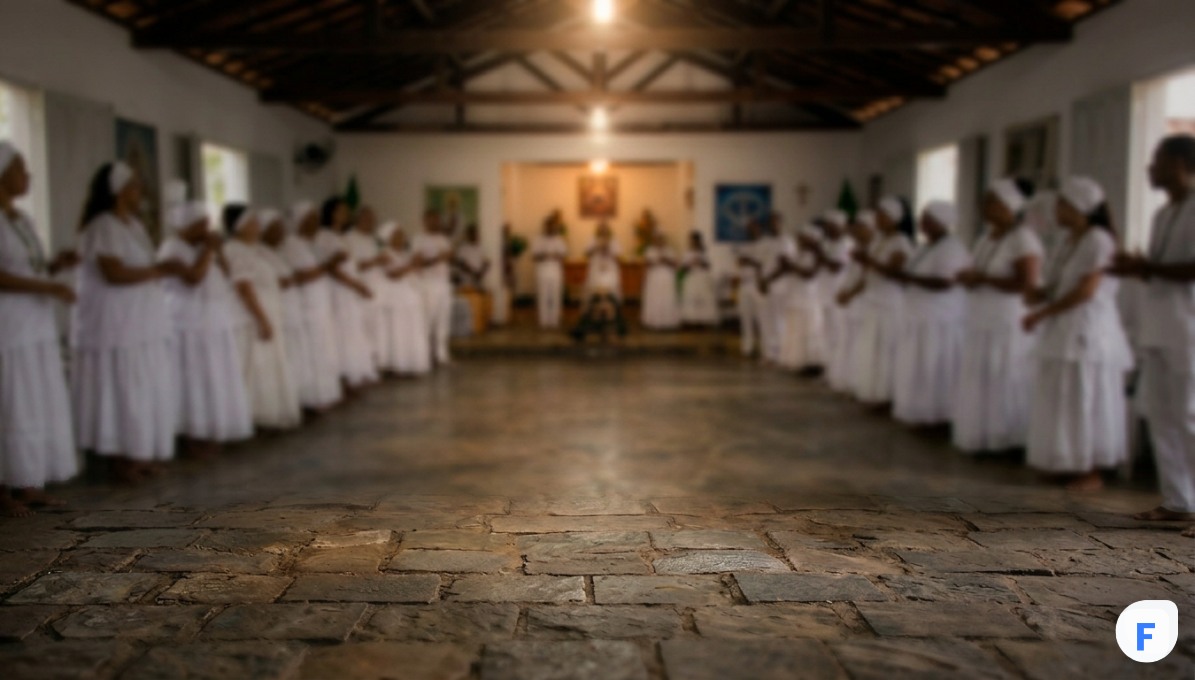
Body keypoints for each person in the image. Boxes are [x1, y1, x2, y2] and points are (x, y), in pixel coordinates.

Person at [73, 162, 180, 482]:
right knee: (120, 390)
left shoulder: (132, 224)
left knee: (141, 389)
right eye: (134, 184)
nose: (140, 189)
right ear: (119, 190)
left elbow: (140, 265)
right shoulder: (103, 225)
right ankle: (120, 457)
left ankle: (138, 452)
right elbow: (113, 272)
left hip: (140, 322)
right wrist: (161, 270)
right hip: (116, 324)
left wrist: (157, 270)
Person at [1023, 178, 1132, 491]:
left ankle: (1090, 469)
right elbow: (1060, 285)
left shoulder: (1099, 239)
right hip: (1063, 330)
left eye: (1062, 204)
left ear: (1079, 208)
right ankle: (1065, 462)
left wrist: (1042, 313)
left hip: (1089, 332)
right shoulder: (1069, 241)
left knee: (1085, 397)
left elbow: (1086, 290)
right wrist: (1038, 294)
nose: (1056, 210)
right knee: (1063, 397)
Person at [1110, 135, 1195, 535]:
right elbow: (1164, 270)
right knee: (1162, 415)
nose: (1150, 168)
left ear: (1179, 163)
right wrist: (1138, 268)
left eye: (1157, 159)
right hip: (1160, 326)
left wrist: (1148, 268)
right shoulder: (1164, 214)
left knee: (1190, 415)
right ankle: (1179, 502)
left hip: (1188, 328)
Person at [0, 142, 77, 514]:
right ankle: (2, 489)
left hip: (35, 325)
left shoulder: (22, 220)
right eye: (20, 168)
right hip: (9, 327)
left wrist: (55, 267)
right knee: (11, 402)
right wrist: (49, 287)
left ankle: (29, 483)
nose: (27, 175)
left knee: (34, 402)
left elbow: (28, 268)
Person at [954, 179, 1043, 454]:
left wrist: (982, 279)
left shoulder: (1022, 238)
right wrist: (970, 279)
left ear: (1009, 207)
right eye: (986, 201)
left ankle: (1010, 437)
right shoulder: (985, 238)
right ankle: (984, 434)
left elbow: (1027, 283)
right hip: (982, 318)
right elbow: (979, 272)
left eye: (992, 201)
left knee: (1005, 375)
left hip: (1007, 320)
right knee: (984, 377)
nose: (985, 206)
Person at [157, 200, 253, 456]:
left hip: (212, 322)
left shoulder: (205, 248)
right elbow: (193, 278)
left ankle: (212, 429)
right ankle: (192, 434)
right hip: (187, 324)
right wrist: (209, 249)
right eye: (200, 225)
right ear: (185, 226)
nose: (206, 230)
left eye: (207, 225)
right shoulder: (171, 247)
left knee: (214, 378)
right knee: (192, 381)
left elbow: (228, 273)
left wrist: (218, 251)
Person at [891, 201, 972, 427]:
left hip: (939, 320)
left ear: (941, 222)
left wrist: (908, 278)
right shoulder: (924, 247)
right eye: (921, 218)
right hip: (919, 317)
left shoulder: (952, 248)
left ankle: (940, 414)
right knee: (919, 367)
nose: (921, 223)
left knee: (934, 367)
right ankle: (920, 410)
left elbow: (945, 282)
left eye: (927, 219)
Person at [223, 205, 302, 431]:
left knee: (266, 367)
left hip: (266, 312)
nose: (258, 227)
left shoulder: (254, 249)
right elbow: (244, 287)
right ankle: (247, 415)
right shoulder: (234, 249)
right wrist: (262, 319)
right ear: (239, 226)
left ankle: (264, 413)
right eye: (252, 223)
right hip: (250, 318)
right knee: (253, 367)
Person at [276, 202, 343, 412]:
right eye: (310, 219)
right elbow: (301, 275)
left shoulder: (313, 243)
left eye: (316, 219)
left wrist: (328, 265)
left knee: (325, 348)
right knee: (313, 351)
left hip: (321, 302)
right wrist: (330, 264)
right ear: (299, 222)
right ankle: (312, 397)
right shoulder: (291, 244)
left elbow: (320, 269)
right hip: (307, 304)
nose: (315, 223)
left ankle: (327, 393)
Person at [850, 197, 914, 406]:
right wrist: (851, 292)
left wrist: (867, 260)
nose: (876, 218)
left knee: (887, 348)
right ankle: (874, 392)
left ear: (893, 218)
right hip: (873, 301)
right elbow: (870, 274)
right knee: (872, 349)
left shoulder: (901, 242)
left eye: (881, 215)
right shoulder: (878, 241)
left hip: (890, 302)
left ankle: (889, 394)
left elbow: (894, 272)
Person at [312, 197, 376, 389]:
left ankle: (353, 372)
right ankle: (342, 376)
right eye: (342, 210)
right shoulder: (323, 236)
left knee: (352, 330)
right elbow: (331, 269)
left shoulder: (342, 236)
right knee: (341, 331)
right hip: (338, 289)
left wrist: (358, 284)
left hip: (349, 290)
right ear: (331, 213)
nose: (346, 214)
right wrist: (355, 284)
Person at [829, 211, 875, 393]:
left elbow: (867, 278)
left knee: (859, 344)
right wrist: (843, 291)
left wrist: (850, 294)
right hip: (850, 302)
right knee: (848, 341)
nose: (855, 229)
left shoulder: (873, 249)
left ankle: (858, 382)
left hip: (863, 302)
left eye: (861, 226)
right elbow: (850, 274)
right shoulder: (856, 248)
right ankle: (847, 379)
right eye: (856, 226)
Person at [379, 224, 432, 376]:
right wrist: (411, 265)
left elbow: (415, 270)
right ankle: (399, 364)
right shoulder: (386, 253)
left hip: (411, 295)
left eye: (402, 234)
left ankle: (412, 363)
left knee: (413, 330)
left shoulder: (405, 253)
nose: (401, 238)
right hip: (397, 297)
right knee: (399, 330)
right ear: (389, 238)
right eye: (397, 235)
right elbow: (391, 275)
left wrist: (417, 264)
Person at [779, 220, 826, 374]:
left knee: (809, 329)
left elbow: (809, 275)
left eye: (802, 237)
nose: (799, 239)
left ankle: (812, 361)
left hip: (808, 297)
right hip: (795, 295)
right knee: (796, 329)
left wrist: (791, 266)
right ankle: (798, 360)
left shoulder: (817, 255)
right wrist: (786, 265)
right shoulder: (797, 254)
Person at [345, 206, 389, 369]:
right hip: (361, 289)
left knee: (378, 328)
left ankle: (377, 363)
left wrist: (382, 262)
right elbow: (352, 266)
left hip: (378, 289)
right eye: (368, 218)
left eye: (373, 219)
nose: (371, 222)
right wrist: (375, 261)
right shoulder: (348, 239)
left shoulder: (373, 240)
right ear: (359, 219)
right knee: (364, 329)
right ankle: (365, 365)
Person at [815, 210, 853, 385]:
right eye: (828, 226)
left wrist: (819, 253)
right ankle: (828, 370)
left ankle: (838, 373)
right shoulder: (826, 243)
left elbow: (835, 267)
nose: (829, 229)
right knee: (826, 334)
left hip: (838, 296)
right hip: (824, 294)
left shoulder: (847, 244)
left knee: (838, 335)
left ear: (842, 226)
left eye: (833, 226)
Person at [413, 209, 454, 365]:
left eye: (437, 219)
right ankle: (425, 355)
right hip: (428, 284)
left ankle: (441, 354)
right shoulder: (418, 239)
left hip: (444, 283)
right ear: (425, 220)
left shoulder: (443, 238)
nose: (436, 222)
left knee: (443, 320)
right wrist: (439, 258)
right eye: (432, 219)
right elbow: (418, 263)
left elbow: (449, 258)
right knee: (428, 320)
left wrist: (449, 257)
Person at [756, 213, 785, 363]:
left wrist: (768, 280)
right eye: (770, 222)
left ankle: (780, 354)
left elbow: (784, 266)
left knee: (778, 320)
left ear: (781, 223)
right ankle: (769, 353)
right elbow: (760, 264)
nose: (772, 225)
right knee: (766, 320)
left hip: (779, 286)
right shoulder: (765, 242)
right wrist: (760, 281)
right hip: (765, 285)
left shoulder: (786, 241)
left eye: (775, 222)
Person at [734, 220, 765, 357]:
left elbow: (763, 264)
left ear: (759, 229)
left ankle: (765, 348)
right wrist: (749, 261)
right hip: (744, 283)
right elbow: (740, 262)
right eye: (748, 229)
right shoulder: (744, 245)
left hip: (757, 283)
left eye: (753, 228)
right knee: (745, 317)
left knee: (761, 317)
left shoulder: (764, 245)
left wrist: (750, 261)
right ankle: (747, 348)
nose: (751, 231)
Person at [532, 214, 567, 329]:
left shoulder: (559, 240)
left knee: (555, 295)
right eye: (548, 226)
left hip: (555, 270)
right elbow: (534, 256)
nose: (550, 228)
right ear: (545, 226)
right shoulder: (538, 239)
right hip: (542, 270)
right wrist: (544, 255)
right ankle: (544, 321)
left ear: (555, 227)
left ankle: (554, 320)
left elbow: (563, 255)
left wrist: (556, 255)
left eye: (552, 226)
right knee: (543, 295)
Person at [641, 231, 681, 330]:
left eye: (661, 239)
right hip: (654, 277)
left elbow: (675, 264)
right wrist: (656, 261)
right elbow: (647, 263)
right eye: (657, 239)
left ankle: (667, 321)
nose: (659, 241)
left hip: (667, 277)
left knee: (666, 297)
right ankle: (654, 321)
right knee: (655, 298)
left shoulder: (669, 250)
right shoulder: (650, 250)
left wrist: (666, 260)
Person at [680, 231, 719, 326]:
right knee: (691, 298)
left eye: (695, 240)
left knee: (703, 297)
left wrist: (701, 262)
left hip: (701, 276)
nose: (694, 242)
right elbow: (684, 268)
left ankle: (703, 319)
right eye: (692, 240)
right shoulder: (687, 253)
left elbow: (708, 266)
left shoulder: (704, 252)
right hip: (692, 277)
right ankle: (692, 319)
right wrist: (690, 264)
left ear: (699, 241)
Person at [584, 222, 622, 301]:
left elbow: (618, 256)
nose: (603, 230)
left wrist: (608, 247)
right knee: (595, 288)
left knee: (610, 288)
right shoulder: (593, 240)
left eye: (604, 228)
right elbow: (587, 253)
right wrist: (597, 246)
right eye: (601, 228)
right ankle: (595, 303)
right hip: (596, 268)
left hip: (609, 269)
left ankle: (612, 303)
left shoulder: (613, 240)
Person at [454, 224, 490, 290]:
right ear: (468, 235)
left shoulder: (481, 247)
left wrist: (480, 273)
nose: (474, 235)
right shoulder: (463, 248)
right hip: (465, 282)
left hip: (478, 282)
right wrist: (474, 274)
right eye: (472, 233)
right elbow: (461, 264)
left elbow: (486, 262)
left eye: (475, 234)